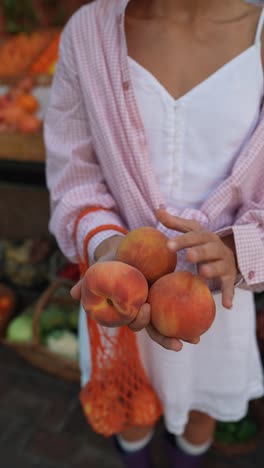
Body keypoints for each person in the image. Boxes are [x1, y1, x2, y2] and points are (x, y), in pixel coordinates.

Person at [44, 0, 264, 466]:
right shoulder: (89, 33)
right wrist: (107, 246)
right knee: (130, 410)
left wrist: (239, 249)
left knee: (204, 412)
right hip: (119, 289)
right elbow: (74, 176)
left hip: (221, 301)